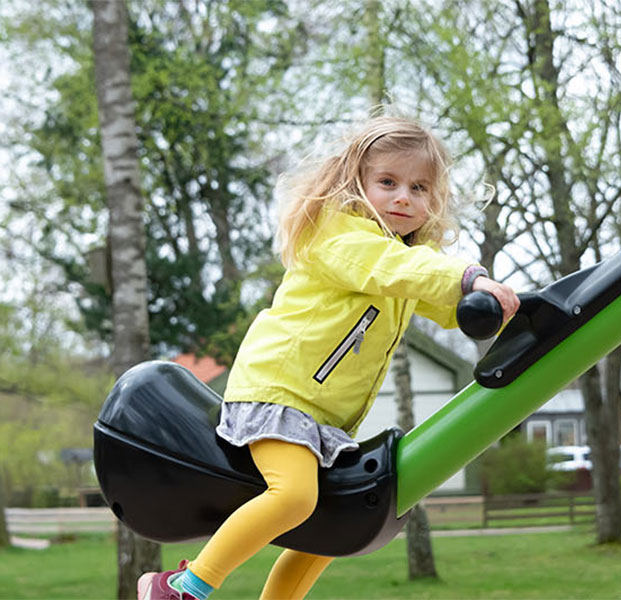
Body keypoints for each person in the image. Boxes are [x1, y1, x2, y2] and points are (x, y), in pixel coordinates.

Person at [137, 115, 519, 600]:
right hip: (279, 394)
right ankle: (183, 586)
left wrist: (505, 307)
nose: (404, 196)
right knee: (295, 496)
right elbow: (399, 270)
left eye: (420, 187)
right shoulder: (340, 236)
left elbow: (435, 298)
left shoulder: (398, 261)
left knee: (335, 524)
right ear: (355, 182)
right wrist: (468, 276)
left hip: (324, 420)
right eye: (388, 182)